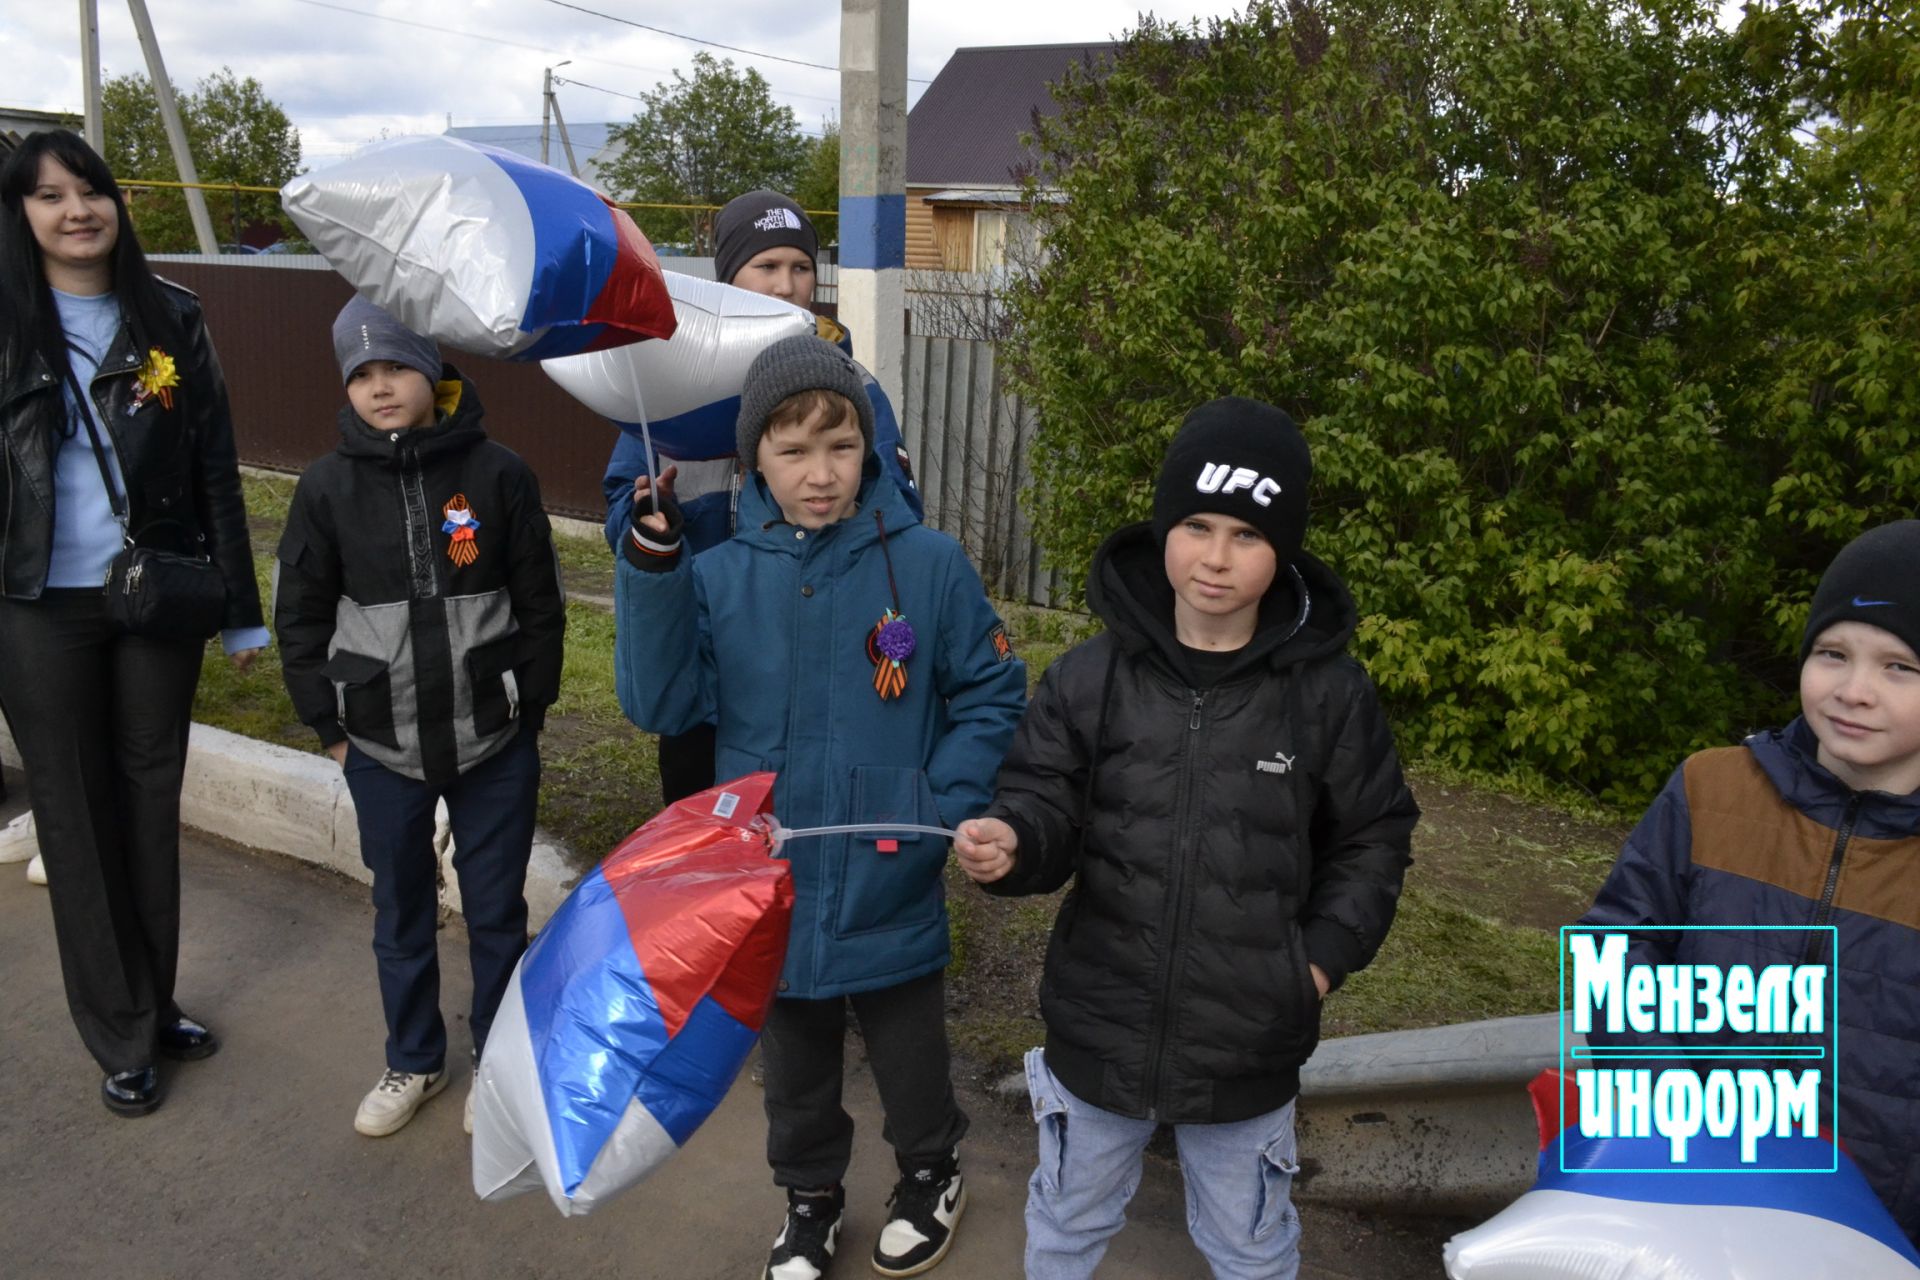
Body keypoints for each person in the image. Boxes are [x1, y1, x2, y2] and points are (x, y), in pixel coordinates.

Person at [954, 398, 1419, 1279]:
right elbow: (1041, 797)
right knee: (1066, 1223)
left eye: (1246, 534)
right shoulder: (1089, 677)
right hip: (1098, 1025)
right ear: (1164, 525)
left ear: (1282, 550)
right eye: (1197, 525)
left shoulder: (1328, 695)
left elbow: (1375, 834)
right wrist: (1013, 841)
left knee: (1248, 1245)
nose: (1215, 557)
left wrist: (1314, 962)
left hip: (1249, 1042)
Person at [614, 333, 1026, 1280]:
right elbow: (661, 702)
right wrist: (653, 570)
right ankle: (809, 1199)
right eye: (792, 450)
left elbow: (993, 694)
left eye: (840, 446)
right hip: (772, 878)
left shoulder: (926, 564)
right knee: (794, 1064)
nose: (820, 473)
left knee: (909, 1049)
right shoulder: (718, 576)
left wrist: (937, 802)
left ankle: (931, 1169)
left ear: (870, 447)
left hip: (892, 862)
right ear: (754, 454)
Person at [0, 130, 266, 1117]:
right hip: (33, 608)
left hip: (153, 597)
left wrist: (239, 611)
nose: (77, 210)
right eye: (49, 196)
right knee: (74, 812)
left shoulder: (173, 318)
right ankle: (117, 1028)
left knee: (151, 800)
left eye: (91, 190)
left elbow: (214, 474)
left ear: (117, 204)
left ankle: (154, 1002)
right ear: (19, 215)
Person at [1580, 519, 1920, 1247]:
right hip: (1682, 1189)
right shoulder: (1711, 787)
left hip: (1870, 1230)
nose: (1854, 690)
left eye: (1901, 668)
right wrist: (1667, 1099)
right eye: (1834, 654)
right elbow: (1612, 950)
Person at [273, 296, 565, 1139]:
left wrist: (529, 708)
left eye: (395, 366)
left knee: (496, 912)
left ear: (432, 370)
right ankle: (414, 1059)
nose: (380, 386)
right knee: (399, 911)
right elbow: (300, 613)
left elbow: (541, 605)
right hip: (380, 744)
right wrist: (330, 728)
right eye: (361, 374)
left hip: (495, 741)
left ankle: (499, 1070)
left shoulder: (499, 473)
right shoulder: (326, 487)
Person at [603, 189, 920, 805]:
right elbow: (623, 501)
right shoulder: (672, 386)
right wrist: (647, 521)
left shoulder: (852, 385)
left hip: (812, 666)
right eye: (766, 267)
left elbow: (900, 510)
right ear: (727, 279)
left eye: (801, 268)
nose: (785, 286)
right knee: (707, 852)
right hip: (702, 665)